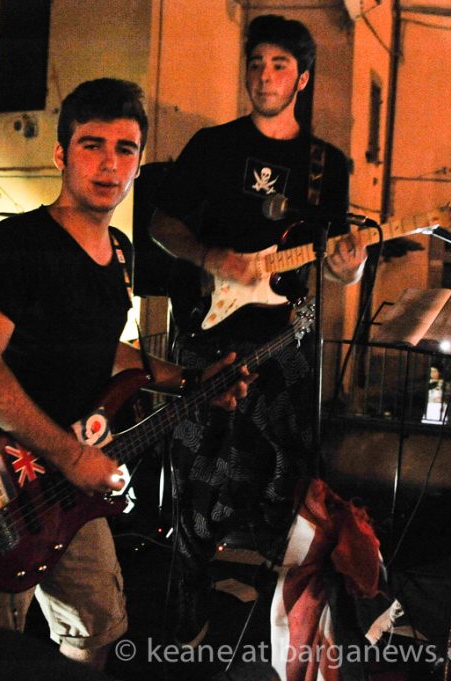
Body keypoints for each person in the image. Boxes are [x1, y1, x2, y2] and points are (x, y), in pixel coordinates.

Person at [0, 78, 252, 670]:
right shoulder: (19, 242)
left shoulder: (122, 253)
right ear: (62, 154)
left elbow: (105, 351)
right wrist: (70, 454)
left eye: (125, 149)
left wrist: (192, 381)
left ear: (138, 162)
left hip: (74, 487)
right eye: (92, 145)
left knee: (96, 632)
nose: (110, 163)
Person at [148, 15, 368, 646]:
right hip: (207, 341)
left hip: (284, 347)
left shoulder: (326, 165)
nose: (264, 76)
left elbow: (339, 262)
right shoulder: (213, 146)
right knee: (197, 476)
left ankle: (279, 624)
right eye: (256, 64)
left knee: (282, 481)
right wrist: (214, 257)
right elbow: (162, 225)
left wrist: (350, 269)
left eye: (279, 65)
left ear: (302, 78)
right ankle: (189, 610)